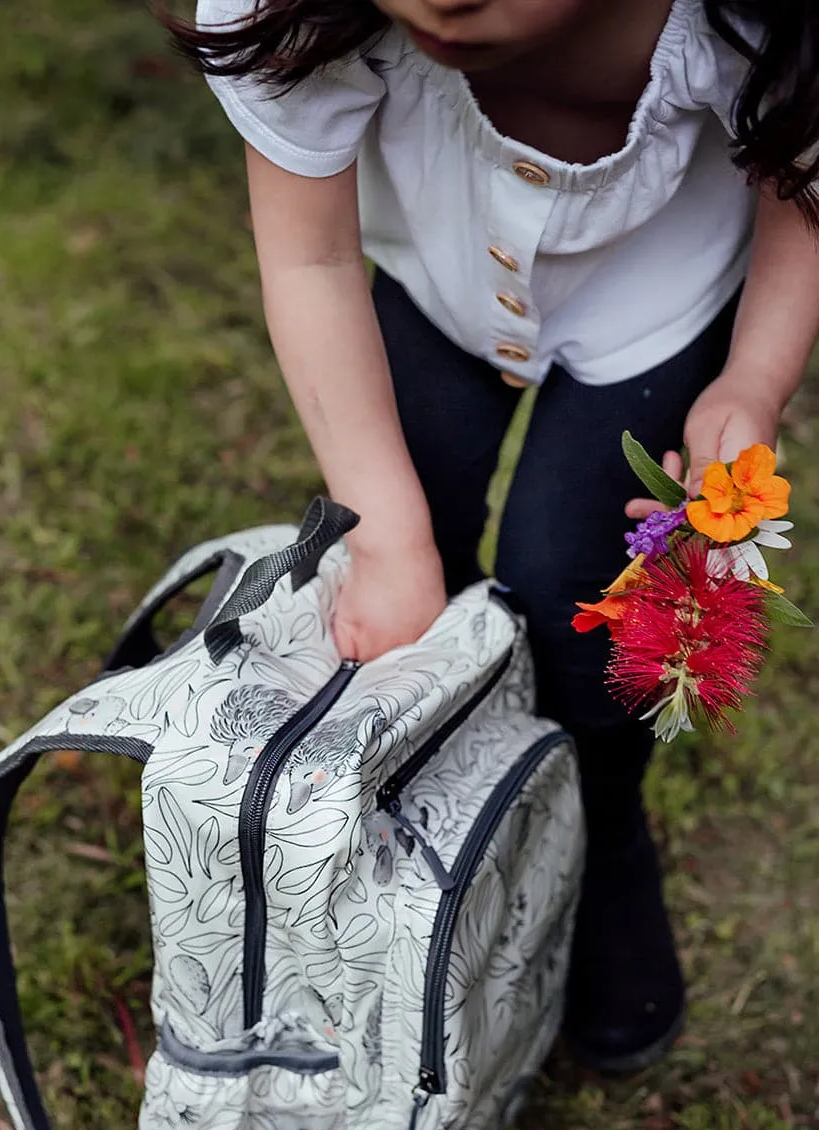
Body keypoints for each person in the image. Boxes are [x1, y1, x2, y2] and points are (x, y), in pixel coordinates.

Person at [156, 0, 819, 1073]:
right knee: (413, 557)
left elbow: (800, 174)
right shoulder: (304, 8)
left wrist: (751, 382)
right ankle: (427, 845)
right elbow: (309, 265)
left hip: (650, 306)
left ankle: (595, 828)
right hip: (432, 280)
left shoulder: (757, 23)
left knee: (573, 595)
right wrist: (387, 536)